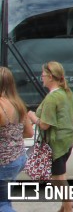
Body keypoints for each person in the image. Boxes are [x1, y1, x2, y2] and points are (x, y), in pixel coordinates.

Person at [27, 62, 73, 212]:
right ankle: (65, 205)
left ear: (50, 77)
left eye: (43, 74)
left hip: (56, 144)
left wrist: (31, 115)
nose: (41, 76)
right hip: (68, 140)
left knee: (58, 179)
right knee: (60, 176)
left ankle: (68, 207)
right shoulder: (66, 92)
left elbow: (44, 125)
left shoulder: (52, 98)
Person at [0, 67, 34, 212]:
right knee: (5, 199)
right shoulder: (19, 104)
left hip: (3, 162)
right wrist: (11, 136)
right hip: (17, 159)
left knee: (2, 204)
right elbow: (29, 132)